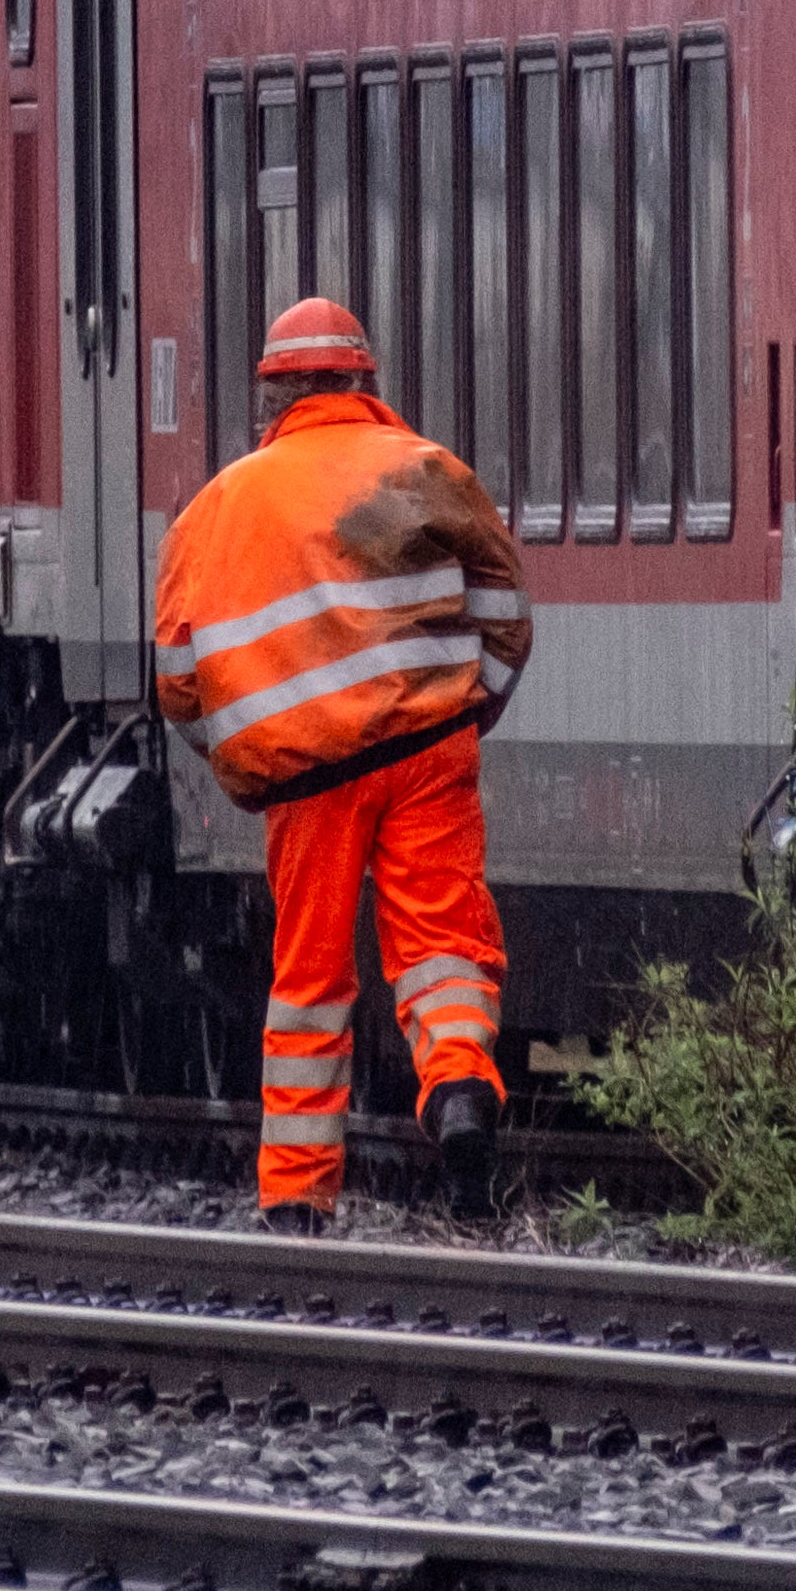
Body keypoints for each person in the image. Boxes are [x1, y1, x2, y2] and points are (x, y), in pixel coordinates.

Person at [148, 294, 529, 1231]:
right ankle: (459, 1093)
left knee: (309, 981)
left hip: (305, 785)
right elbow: (509, 611)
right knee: (442, 948)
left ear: (270, 398)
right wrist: (469, 706)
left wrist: (248, 756)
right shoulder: (426, 473)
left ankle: (295, 1198)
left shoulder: (215, 511)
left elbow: (176, 680)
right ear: (364, 385)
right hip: (430, 752)